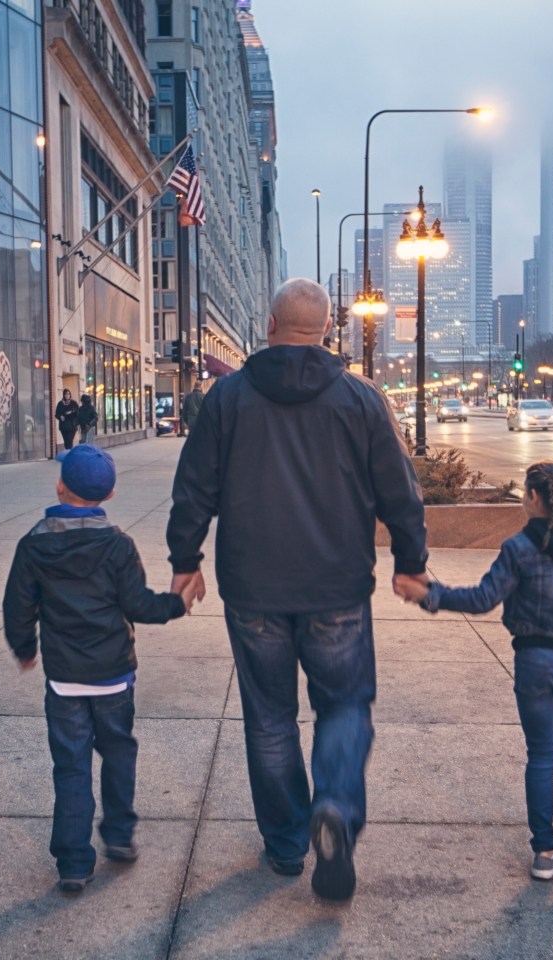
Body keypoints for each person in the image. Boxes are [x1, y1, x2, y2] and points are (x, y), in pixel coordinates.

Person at [166, 277, 428, 901]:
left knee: (270, 718)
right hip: (336, 587)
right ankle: (334, 805)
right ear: (329, 331)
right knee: (343, 706)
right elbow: (401, 489)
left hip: (253, 587)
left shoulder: (226, 398)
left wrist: (185, 560)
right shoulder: (360, 400)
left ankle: (286, 845)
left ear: (271, 326)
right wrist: (411, 561)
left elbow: (193, 487)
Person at [396, 460, 553, 881]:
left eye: (525, 493)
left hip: (534, 662)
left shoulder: (519, 549)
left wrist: (429, 594)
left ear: (536, 499)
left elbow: (483, 598)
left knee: (541, 753)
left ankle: (544, 851)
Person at [3, 445, 199, 893]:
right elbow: (138, 605)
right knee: (118, 751)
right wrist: (177, 604)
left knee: (70, 766)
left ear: (59, 486)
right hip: (113, 675)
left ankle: (73, 862)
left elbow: (18, 605)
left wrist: (25, 648)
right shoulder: (117, 546)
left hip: (65, 680)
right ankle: (119, 834)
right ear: (109, 494)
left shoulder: (33, 544)